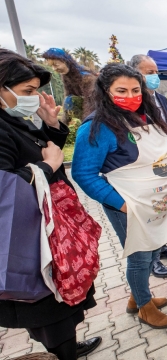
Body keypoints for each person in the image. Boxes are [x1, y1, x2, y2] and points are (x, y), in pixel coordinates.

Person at [73, 63, 167, 329]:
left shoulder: (143, 117)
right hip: (127, 206)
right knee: (140, 256)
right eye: (121, 90)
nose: (130, 96)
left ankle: (136, 296)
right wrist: (123, 204)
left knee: (154, 248)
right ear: (105, 91)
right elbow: (84, 174)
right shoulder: (96, 127)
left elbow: (160, 155)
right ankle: (144, 307)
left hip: (154, 204)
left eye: (135, 90)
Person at [0, 48, 101, 360]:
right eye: (27, 91)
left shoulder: (12, 118)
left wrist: (51, 125)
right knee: (49, 312)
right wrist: (44, 168)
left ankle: (67, 345)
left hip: (53, 231)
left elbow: (38, 147)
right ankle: (63, 352)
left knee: (64, 304)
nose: (34, 97)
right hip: (29, 243)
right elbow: (4, 187)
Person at [130, 54, 167, 279]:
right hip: (148, 167)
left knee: (165, 210)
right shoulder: (136, 103)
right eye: (149, 72)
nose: (155, 76)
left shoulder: (160, 98)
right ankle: (152, 261)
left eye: (155, 71)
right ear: (136, 75)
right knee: (152, 214)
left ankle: (162, 247)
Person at [42, 48, 97, 125]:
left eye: (56, 65)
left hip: (94, 109)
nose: (54, 69)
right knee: (68, 100)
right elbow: (68, 96)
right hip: (81, 108)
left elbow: (91, 102)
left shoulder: (86, 77)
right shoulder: (65, 75)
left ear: (65, 61)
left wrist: (86, 123)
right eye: (52, 66)